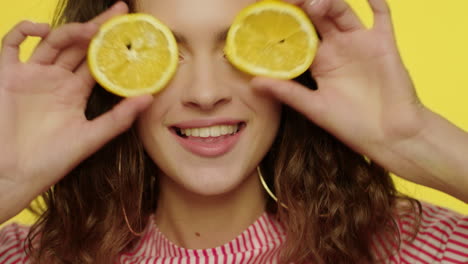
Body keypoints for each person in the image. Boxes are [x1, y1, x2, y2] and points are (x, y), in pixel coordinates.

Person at [0, 0, 467, 263]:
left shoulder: (409, 249)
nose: (205, 94)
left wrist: (415, 139)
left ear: (292, 62)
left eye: (236, 48)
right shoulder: (32, 257)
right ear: (113, 71)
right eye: (169, 50)